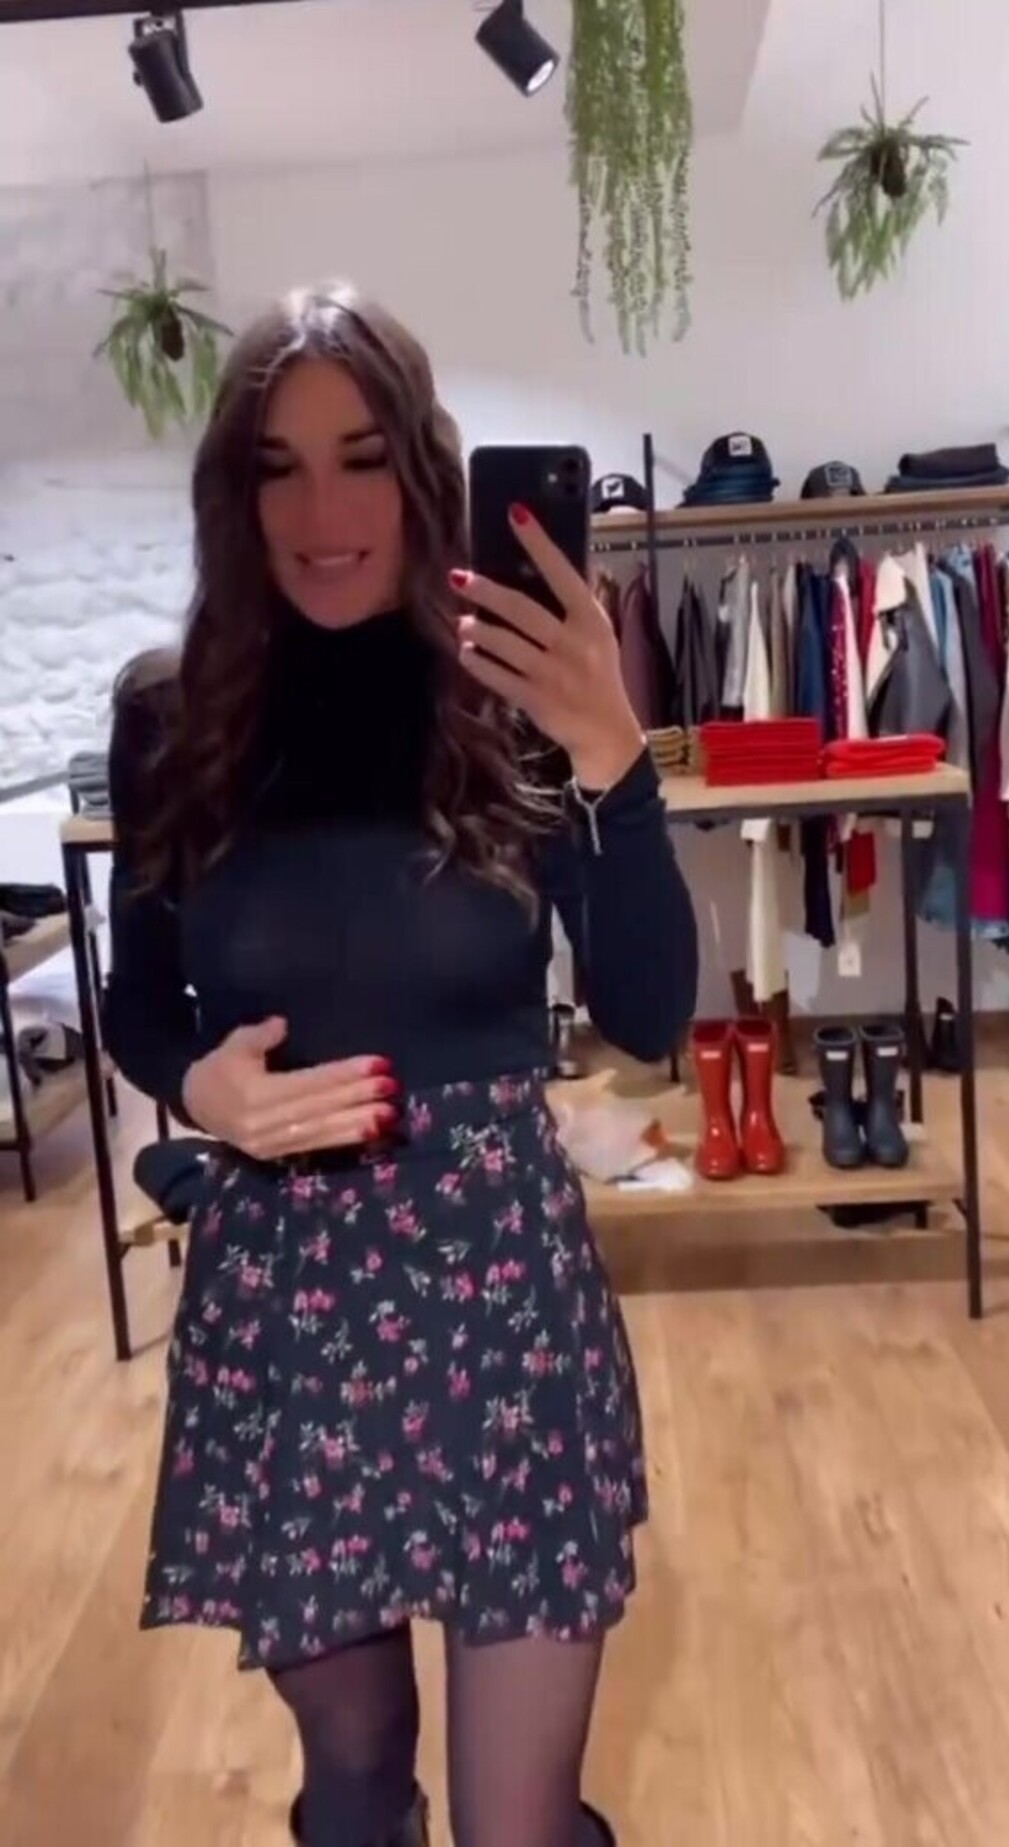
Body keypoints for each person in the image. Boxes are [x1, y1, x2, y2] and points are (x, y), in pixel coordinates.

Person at [103, 285, 698, 1847]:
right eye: (278, 468)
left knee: (517, 1823)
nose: (322, 514)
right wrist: (201, 1090)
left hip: (502, 1301)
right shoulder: (171, 719)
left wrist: (615, 763)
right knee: (358, 1776)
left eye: (362, 460)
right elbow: (140, 1002)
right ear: (233, 495)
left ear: (423, 472)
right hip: (289, 1308)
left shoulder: (513, 697)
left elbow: (649, 1010)